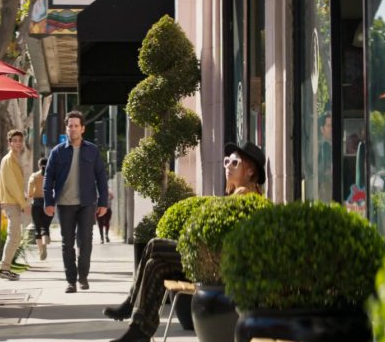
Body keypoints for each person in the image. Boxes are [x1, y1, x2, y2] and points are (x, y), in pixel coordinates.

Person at [105, 141, 266, 342]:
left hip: (216, 267)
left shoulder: (246, 196)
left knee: (155, 245)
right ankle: (139, 332)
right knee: (155, 265)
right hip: (211, 262)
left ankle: (132, 305)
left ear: (250, 171)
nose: (227, 166)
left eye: (234, 163)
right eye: (226, 161)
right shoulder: (236, 194)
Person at [44, 110, 109, 293]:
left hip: (87, 202)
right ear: (66, 128)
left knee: (86, 241)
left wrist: (103, 202)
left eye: (76, 126)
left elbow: (101, 177)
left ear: (83, 129)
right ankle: (71, 281)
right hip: (65, 204)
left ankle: (83, 277)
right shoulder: (57, 152)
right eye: (69, 126)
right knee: (67, 243)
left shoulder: (92, 150)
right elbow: (49, 177)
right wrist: (48, 201)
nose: (72, 129)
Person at [0, 129, 29, 280]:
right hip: (11, 201)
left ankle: (5, 268)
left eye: (20, 141)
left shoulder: (14, 158)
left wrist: (23, 198)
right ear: (9, 143)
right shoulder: (8, 159)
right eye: (14, 141)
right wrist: (23, 203)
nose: (18, 143)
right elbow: (11, 184)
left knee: (15, 235)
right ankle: (4, 268)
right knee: (14, 235)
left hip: (13, 201)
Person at [27, 157, 52, 260]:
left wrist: (30, 194)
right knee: (45, 227)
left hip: (36, 203)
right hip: (48, 202)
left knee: (37, 228)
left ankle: (41, 249)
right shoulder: (50, 175)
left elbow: (30, 190)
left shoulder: (34, 176)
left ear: (38, 165)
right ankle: (45, 238)